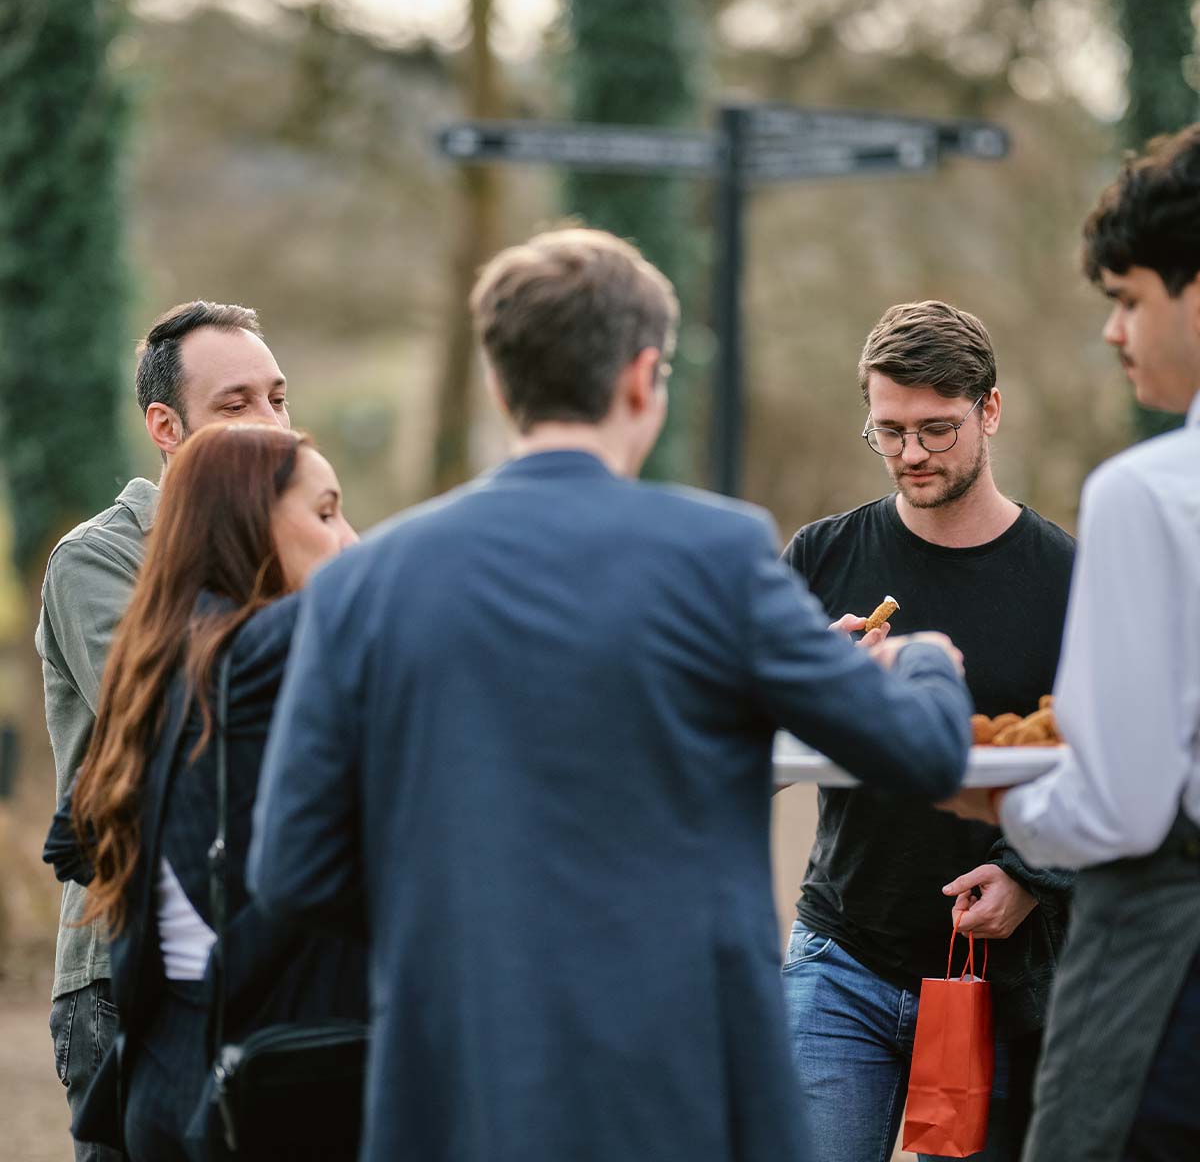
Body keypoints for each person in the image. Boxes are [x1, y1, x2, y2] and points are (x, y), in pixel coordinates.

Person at [248, 227, 974, 1162]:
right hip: (677, 1076)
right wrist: (923, 662)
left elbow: (292, 868)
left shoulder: (364, 584)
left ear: (500, 384)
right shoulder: (717, 554)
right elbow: (921, 752)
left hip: (455, 1073)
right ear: (641, 379)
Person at [945, 126, 1200, 1161]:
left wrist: (990, 801)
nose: (1112, 330)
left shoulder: (1150, 493)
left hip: (1166, 972)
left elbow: (1122, 805)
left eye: (1128, 298)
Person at [779, 300, 1076, 1162]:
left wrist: (1032, 879)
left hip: (1005, 977)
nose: (910, 453)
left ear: (990, 410)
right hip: (839, 957)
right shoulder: (821, 557)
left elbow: (1108, 764)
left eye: (936, 429)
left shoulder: (1068, 577)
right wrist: (815, 687)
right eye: (889, 431)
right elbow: (738, 755)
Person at [51, 422, 364, 1161]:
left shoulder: (158, 666)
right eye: (326, 513)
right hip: (271, 1081)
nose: (349, 540)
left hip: (168, 1067)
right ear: (246, 527)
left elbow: (73, 838)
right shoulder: (254, 656)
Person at [37, 299, 289, 1160]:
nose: (272, 424)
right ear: (165, 426)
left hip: (270, 956)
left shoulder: (298, 545)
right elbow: (185, 713)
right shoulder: (100, 559)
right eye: (236, 404)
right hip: (129, 966)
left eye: (277, 398)